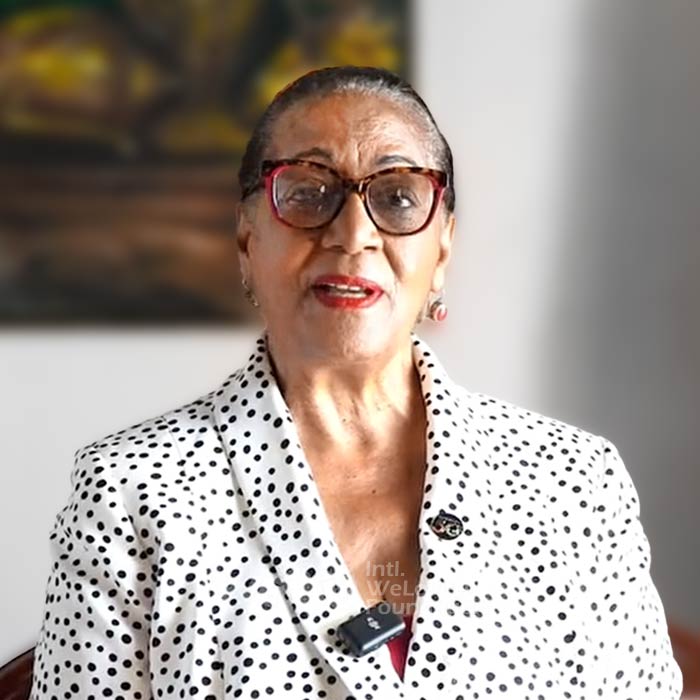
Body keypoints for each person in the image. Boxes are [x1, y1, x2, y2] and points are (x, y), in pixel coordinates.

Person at [30, 66, 682, 699]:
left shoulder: (574, 481)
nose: (353, 235)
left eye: (397, 198)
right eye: (308, 193)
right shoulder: (130, 493)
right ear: (247, 240)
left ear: (443, 249)